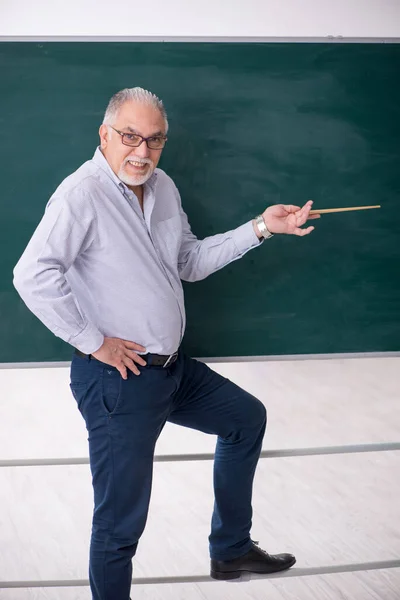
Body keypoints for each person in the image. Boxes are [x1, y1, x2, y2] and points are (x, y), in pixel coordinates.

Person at [13, 87, 319, 600]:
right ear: (104, 135)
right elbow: (32, 275)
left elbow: (189, 262)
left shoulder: (164, 188)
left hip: (172, 370)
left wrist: (262, 227)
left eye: (154, 140)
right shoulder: (80, 194)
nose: (142, 151)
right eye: (130, 136)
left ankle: (230, 549)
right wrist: (94, 343)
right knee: (120, 524)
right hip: (120, 379)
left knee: (245, 419)